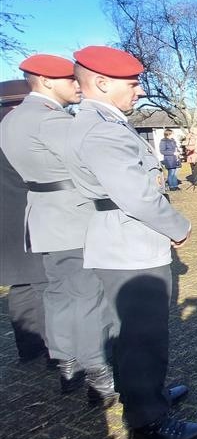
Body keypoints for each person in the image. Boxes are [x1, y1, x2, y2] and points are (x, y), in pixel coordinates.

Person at [65, 45, 197, 439]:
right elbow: (139, 196)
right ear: (102, 83)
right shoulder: (102, 129)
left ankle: (146, 396)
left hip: (119, 237)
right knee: (143, 336)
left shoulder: (98, 121)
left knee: (129, 333)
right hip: (129, 242)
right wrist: (178, 226)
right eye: (133, 83)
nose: (139, 91)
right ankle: (150, 419)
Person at [0, 54, 116, 403]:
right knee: (86, 296)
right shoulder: (53, 122)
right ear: (45, 81)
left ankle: (68, 365)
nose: (78, 85)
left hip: (43, 215)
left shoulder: (14, 119)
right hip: (73, 215)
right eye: (70, 80)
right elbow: (94, 160)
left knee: (58, 295)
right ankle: (99, 374)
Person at [0, 80, 49, 364]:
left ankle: (29, 349)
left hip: (6, 225)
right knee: (46, 287)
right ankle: (59, 352)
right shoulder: (20, 136)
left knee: (20, 288)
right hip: (30, 218)